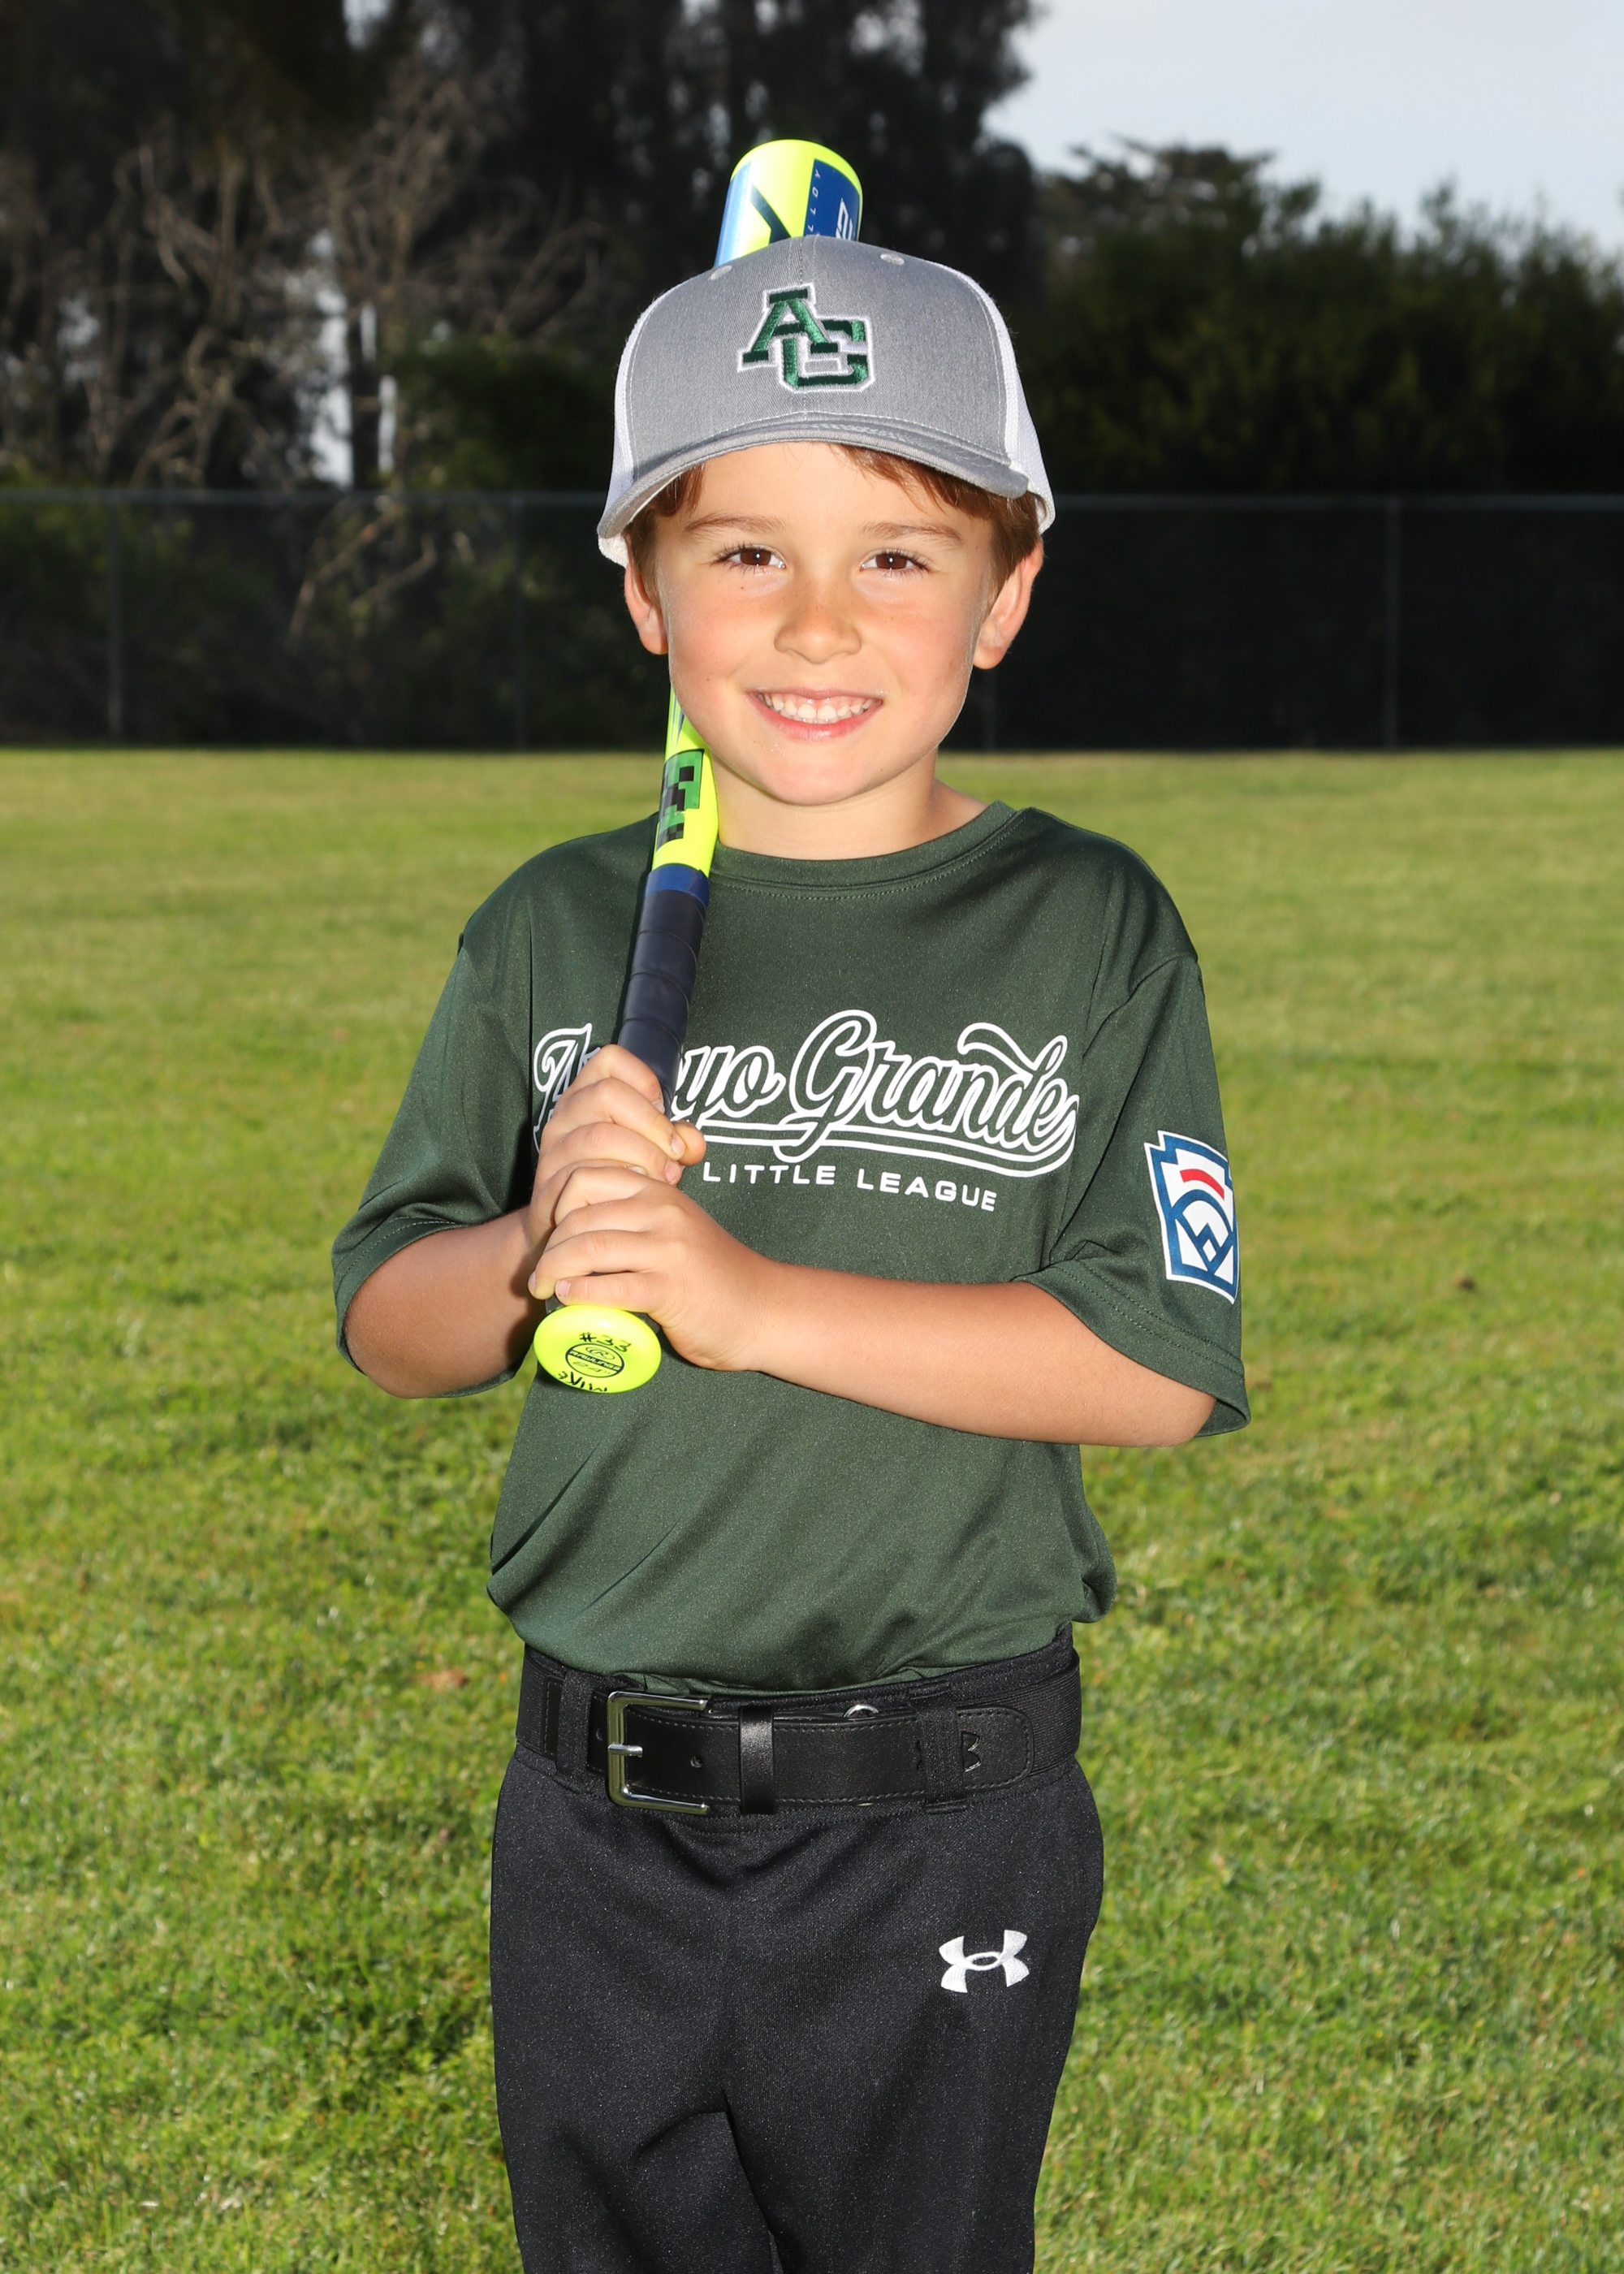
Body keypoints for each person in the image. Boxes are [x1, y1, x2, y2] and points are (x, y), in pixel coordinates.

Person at [333, 235, 1247, 2274]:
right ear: (643, 588)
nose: (817, 618)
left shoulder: (1086, 922)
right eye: (743, 551)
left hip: (936, 1807)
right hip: (594, 1814)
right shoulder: (551, 929)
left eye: (897, 555)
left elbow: (1152, 1362)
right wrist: (533, 1244)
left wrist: (746, 1302)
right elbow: (391, 1321)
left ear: (1004, 593)